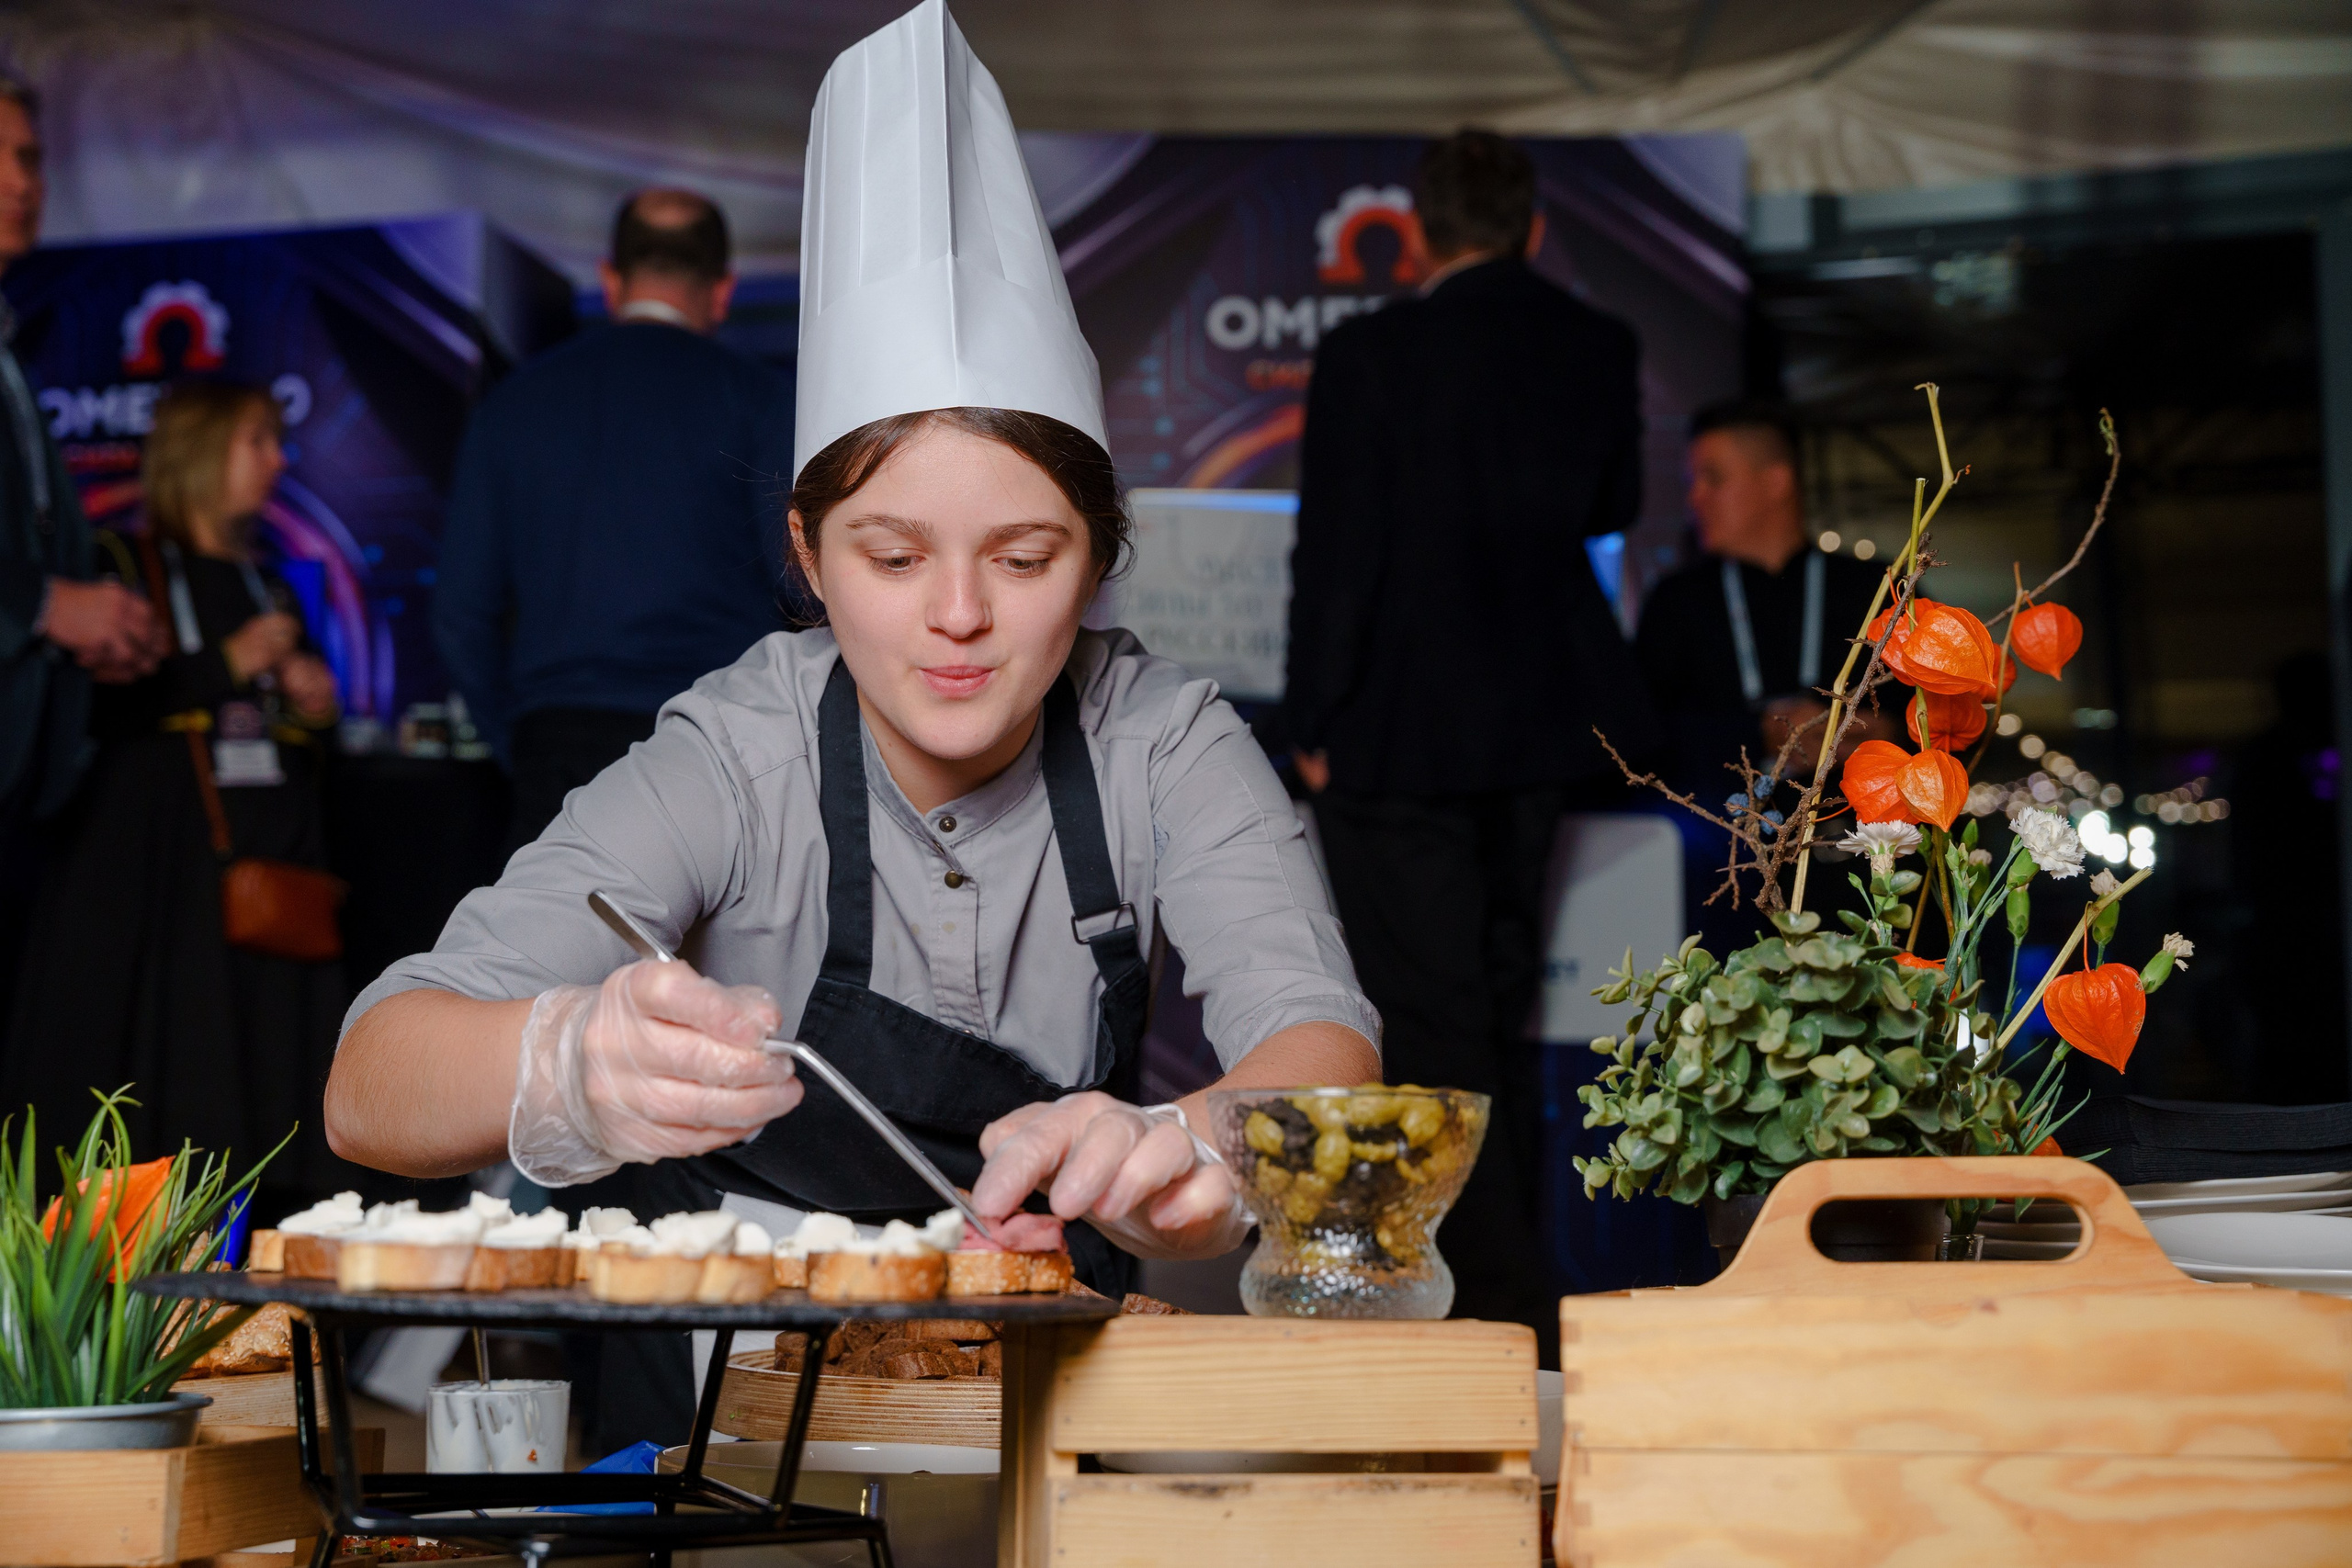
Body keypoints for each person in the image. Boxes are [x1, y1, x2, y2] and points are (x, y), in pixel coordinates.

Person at [328, 0, 1378, 1451]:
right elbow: (370, 1077)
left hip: (1039, 1386)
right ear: (811, 559)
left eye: (1025, 559)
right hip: (733, 1407)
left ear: (1099, 554)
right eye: (892, 558)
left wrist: (1186, 1136)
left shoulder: (1164, 738)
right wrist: (568, 1061)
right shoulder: (736, 747)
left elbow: (1327, 1048)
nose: (959, 615)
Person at [1278, 129, 1653, 1359]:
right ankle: (1513, 1294)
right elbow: (1611, 506)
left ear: (1424, 230)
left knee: (1428, 1027)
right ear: (1533, 226)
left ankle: (1482, 1303)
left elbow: (1336, 555)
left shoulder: (1370, 352)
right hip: (1546, 723)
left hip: (1397, 732)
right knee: (1495, 1009)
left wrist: (1312, 722)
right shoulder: (1596, 344)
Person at [5, 382, 346, 1212]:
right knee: (166, 1085)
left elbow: (290, 739)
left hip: (261, 876)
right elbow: (103, 712)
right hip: (156, 885)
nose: (277, 460)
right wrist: (226, 662)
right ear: (202, 454)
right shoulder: (123, 568)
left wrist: (310, 705)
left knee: (260, 1091)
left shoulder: (272, 583)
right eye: (257, 441)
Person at [433, 186, 795, 851]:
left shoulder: (515, 404)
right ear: (722, 289)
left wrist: (521, 737)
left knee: (568, 953)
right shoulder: (764, 400)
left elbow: (460, 608)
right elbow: (800, 582)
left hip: (560, 744)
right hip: (721, 737)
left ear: (609, 278)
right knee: (721, 955)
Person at [0, 73, 165, 1025]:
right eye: (5, 157)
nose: (25, 181)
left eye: (32, 158)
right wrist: (44, 606)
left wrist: (99, 617)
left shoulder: (11, 346)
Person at [1634, 401, 1889, 949]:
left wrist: (1866, 730)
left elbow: (1940, 723)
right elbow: (1642, 736)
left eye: (1713, 478)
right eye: (1691, 481)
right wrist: (1759, 730)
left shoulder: (1872, 590)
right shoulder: (1677, 603)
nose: (1694, 498)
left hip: (1859, 875)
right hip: (1718, 882)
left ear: (1776, 481)